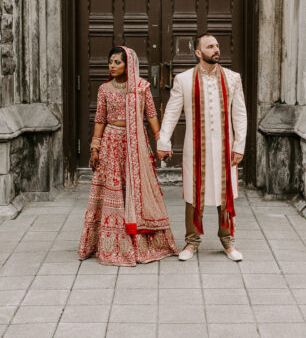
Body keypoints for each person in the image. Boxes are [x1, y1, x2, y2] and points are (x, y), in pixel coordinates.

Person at [78, 46, 178, 266]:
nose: (112, 66)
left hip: (135, 143)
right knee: (113, 191)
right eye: (110, 62)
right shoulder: (104, 89)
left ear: (129, 64)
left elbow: (151, 115)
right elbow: (100, 119)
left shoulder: (141, 88)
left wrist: (161, 140)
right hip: (111, 143)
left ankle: (141, 242)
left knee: (137, 189)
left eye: (117, 62)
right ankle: (111, 243)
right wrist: (95, 147)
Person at [157, 34, 247, 262]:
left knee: (225, 193)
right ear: (198, 53)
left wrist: (239, 145)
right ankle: (192, 242)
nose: (216, 49)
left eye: (217, 45)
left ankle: (228, 242)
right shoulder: (184, 79)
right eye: (210, 46)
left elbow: (240, 114)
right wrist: (164, 141)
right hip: (195, 149)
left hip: (225, 148)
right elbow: (171, 112)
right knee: (193, 194)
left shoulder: (233, 78)